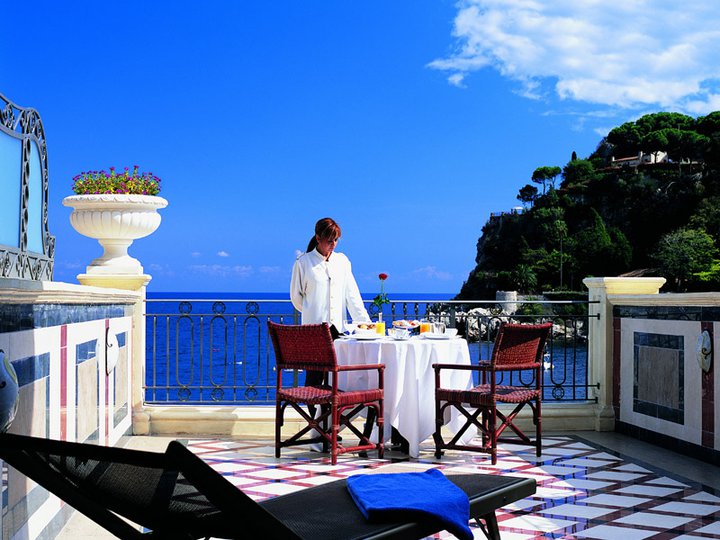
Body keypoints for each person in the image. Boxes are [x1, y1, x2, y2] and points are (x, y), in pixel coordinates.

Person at [290, 217, 370, 338]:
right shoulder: (303, 262)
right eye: (329, 241)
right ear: (318, 238)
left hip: (339, 331)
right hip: (313, 331)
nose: (333, 244)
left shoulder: (342, 261)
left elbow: (352, 296)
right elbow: (296, 297)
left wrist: (366, 324)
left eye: (336, 240)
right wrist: (312, 310)